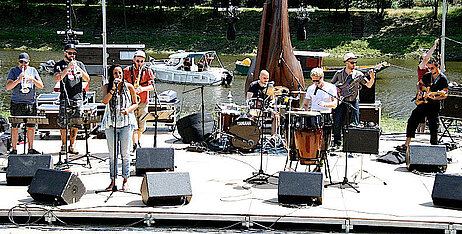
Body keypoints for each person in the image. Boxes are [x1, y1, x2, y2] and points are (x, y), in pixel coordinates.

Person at [102, 65, 138, 191]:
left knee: (125, 154)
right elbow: (105, 101)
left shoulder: (129, 87)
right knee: (112, 154)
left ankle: (125, 179)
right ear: (112, 75)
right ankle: (113, 181)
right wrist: (113, 89)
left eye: (120, 73)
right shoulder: (107, 86)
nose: (118, 75)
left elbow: (135, 103)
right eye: (116, 73)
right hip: (111, 123)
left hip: (126, 123)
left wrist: (128, 110)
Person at [331, 52, 375, 147]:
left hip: (354, 100)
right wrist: (338, 90)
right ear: (346, 62)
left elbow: (369, 85)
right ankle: (337, 143)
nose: (354, 64)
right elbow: (331, 86)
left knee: (355, 122)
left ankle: (352, 144)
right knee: (337, 122)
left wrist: (372, 78)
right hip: (342, 100)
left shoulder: (359, 74)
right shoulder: (339, 73)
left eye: (355, 62)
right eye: (352, 62)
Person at [403, 58, 448, 149]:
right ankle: (406, 144)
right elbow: (419, 84)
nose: (430, 70)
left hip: (434, 104)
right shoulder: (428, 75)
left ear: (437, 66)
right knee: (413, 119)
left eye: (432, 68)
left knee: (433, 124)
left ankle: (434, 145)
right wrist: (419, 91)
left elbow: (445, 94)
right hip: (424, 102)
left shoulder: (443, 79)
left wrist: (436, 97)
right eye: (429, 68)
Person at [54, 44, 90, 154]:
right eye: (70, 53)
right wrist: (68, 68)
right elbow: (57, 78)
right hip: (65, 97)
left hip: (78, 97)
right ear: (65, 53)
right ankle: (64, 145)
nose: (72, 55)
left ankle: (72, 145)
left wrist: (78, 69)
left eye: (74, 53)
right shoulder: (59, 64)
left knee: (76, 123)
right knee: (63, 123)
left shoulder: (80, 64)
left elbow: (87, 79)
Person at [6, 52, 44, 154]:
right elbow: (8, 87)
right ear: (18, 62)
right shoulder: (13, 71)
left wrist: (32, 79)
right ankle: (14, 149)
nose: (23, 64)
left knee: (31, 127)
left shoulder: (33, 70)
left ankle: (30, 148)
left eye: (25, 63)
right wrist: (18, 80)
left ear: (29, 62)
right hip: (17, 103)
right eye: (21, 62)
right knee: (14, 127)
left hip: (30, 103)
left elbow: (41, 86)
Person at [123, 50, 155, 151]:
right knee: (132, 124)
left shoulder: (147, 71)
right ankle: (134, 144)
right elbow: (122, 85)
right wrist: (131, 89)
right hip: (131, 101)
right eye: (137, 61)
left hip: (143, 101)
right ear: (134, 60)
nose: (139, 63)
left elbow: (152, 86)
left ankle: (137, 141)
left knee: (142, 126)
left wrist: (143, 89)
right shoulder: (127, 70)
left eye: (141, 61)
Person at [416, 39, 439, 133]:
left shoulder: (431, 69)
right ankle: (419, 132)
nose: (425, 59)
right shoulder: (421, 67)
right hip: (423, 92)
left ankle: (422, 131)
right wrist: (434, 46)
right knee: (421, 114)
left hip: (431, 92)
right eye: (423, 58)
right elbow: (426, 58)